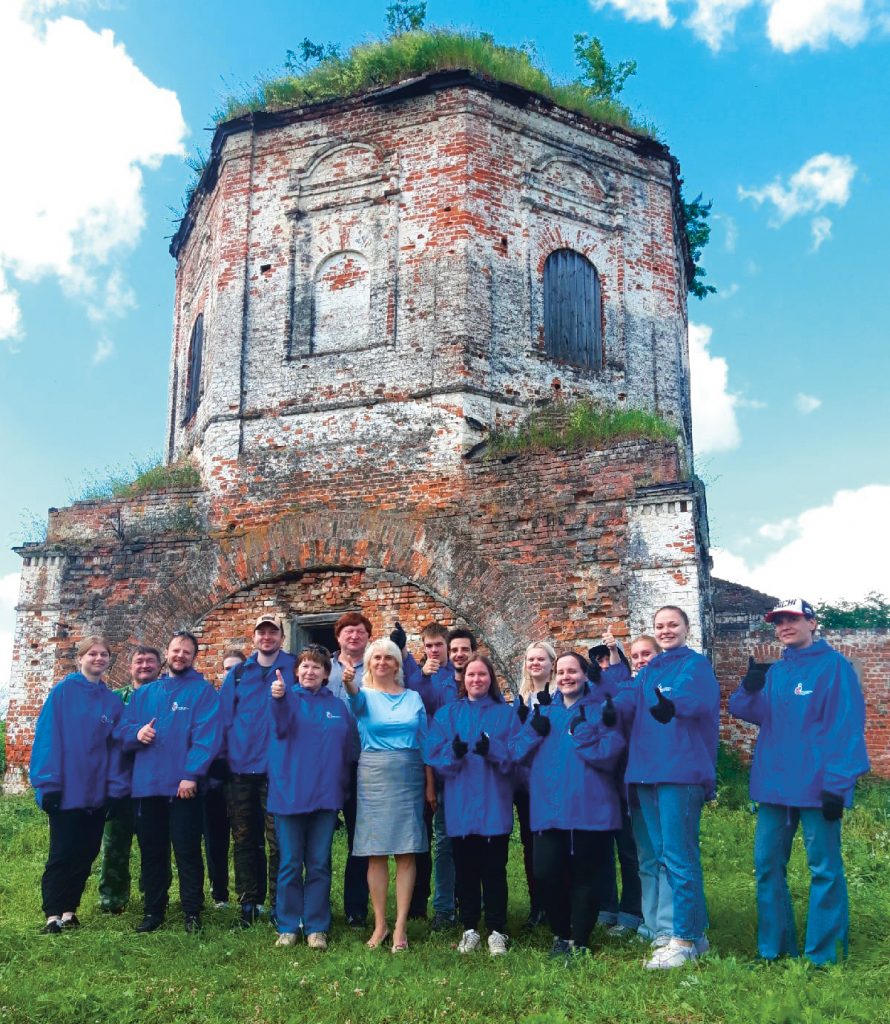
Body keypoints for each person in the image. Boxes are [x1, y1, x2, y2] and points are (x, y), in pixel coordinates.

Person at [728, 598, 870, 965]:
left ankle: (824, 956)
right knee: (767, 867)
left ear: (812, 622)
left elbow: (846, 728)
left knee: (823, 869)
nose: (784, 626)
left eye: (792, 618)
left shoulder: (835, 668)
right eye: (778, 622)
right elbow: (746, 710)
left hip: (817, 787)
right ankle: (774, 949)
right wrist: (749, 686)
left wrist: (838, 785)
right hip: (773, 786)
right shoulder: (777, 671)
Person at [615, 606, 719, 969]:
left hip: (680, 772)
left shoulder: (695, 665)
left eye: (673, 624)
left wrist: (673, 705)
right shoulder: (650, 670)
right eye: (660, 625)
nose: (666, 630)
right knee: (662, 854)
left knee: (679, 855)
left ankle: (683, 939)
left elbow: (697, 699)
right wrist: (606, 707)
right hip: (646, 772)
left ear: (686, 628)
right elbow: (628, 696)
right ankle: (696, 936)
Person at [511, 651, 626, 960]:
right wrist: (532, 733)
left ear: (585, 675)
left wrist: (584, 733)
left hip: (590, 808)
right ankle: (561, 933)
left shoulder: (600, 710)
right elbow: (516, 752)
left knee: (585, 877)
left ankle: (580, 939)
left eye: (572, 671)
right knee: (546, 872)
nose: (566, 677)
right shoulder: (544, 713)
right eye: (561, 672)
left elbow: (610, 755)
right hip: (550, 808)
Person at [117, 631, 221, 933]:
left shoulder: (203, 692)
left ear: (194, 657)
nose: (180, 656)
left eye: (187, 652)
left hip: (183, 787)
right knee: (152, 851)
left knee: (187, 850)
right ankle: (153, 911)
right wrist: (136, 734)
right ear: (167, 653)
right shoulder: (146, 693)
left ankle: (192, 911)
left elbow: (207, 737)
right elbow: (122, 729)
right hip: (147, 785)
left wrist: (191, 774)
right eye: (176, 650)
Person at [30, 636, 127, 934]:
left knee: (86, 854)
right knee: (62, 853)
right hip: (66, 789)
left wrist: (114, 791)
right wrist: (48, 784)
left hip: (95, 793)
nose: (98, 658)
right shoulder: (63, 692)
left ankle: (69, 911)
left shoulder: (112, 702)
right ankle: (52, 915)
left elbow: (115, 749)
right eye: (92, 654)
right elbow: (47, 736)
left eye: (103, 654)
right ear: (80, 658)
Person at [342, 638, 434, 952]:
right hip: (374, 775)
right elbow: (354, 699)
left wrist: (430, 784)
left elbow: (425, 742)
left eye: (388, 657)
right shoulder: (363, 695)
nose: (382, 662)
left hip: (409, 774)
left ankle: (400, 927)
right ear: (368, 664)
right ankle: (380, 924)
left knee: (407, 851)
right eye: (376, 657)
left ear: (397, 664)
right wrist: (348, 682)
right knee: (376, 852)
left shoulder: (413, 697)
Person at [425, 654, 517, 955]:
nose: (476, 679)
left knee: (494, 869)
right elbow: (434, 755)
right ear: (463, 680)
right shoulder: (448, 714)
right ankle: (469, 927)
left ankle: (497, 929)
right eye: (471, 675)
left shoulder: (505, 714)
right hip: (461, 802)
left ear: (491, 679)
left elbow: (516, 756)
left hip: (493, 802)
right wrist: (453, 752)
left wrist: (493, 750)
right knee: (465, 870)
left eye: (482, 674)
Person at [268, 647, 353, 950]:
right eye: (304, 666)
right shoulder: (286, 699)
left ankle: (317, 926)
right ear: (296, 672)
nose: (310, 671)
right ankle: (289, 925)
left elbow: (346, 751)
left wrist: (342, 788)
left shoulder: (338, 707)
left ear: (326, 674)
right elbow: (279, 726)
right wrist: (278, 699)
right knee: (290, 864)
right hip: (290, 794)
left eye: (317, 667)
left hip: (325, 796)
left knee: (318, 863)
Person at [219, 615, 295, 927]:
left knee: (278, 841)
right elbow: (223, 719)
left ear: (281, 637)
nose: (267, 637)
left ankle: (280, 905)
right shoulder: (239, 674)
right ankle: (248, 904)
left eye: (272, 632)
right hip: (240, 769)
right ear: (254, 638)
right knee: (244, 840)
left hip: (278, 769)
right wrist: (222, 760)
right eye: (261, 632)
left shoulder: (294, 667)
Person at [395, 620, 459, 929]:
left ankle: (452, 901)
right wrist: (422, 675)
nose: (433, 650)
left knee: (448, 840)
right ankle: (418, 902)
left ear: (447, 646)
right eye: (429, 645)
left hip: (449, 764)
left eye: (438, 645)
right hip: (421, 762)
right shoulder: (417, 675)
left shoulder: (455, 676)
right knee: (420, 837)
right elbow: (414, 705)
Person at [97, 645, 163, 914]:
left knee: (155, 845)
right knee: (115, 843)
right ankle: (112, 899)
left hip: (155, 783)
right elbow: (105, 738)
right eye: (139, 661)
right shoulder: (115, 700)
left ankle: (153, 896)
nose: (144, 665)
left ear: (160, 666)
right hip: (120, 783)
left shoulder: (166, 696)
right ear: (130, 666)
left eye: (150, 661)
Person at [588, 630, 643, 938]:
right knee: (601, 849)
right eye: (598, 661)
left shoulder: (630, 686)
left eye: (608, 658)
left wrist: (613, 668)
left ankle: (632, 912)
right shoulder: (590, 691)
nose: (603, 665)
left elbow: (621, 693)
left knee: (629, 848)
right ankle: (605, 908)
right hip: (601, 779)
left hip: (626, 776)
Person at [327, 611, 373, 927]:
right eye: (348, 631)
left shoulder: (374, 667)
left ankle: (356, 909)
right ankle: (317, 907)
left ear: (368, 637)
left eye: (360, 631)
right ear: (338, 636)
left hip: (363, 763)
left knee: (360, 839)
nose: (354, 636)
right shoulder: (323, 667)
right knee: (318, 840)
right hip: (327, 766)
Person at [512, 639, 557, 929]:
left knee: (555, 843)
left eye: (541, 659)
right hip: (526, 783)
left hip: (554, 782)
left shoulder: (560, 695)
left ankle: (557, 903)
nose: (535, 663)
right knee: (531, 845)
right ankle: (537, 905)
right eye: (531, 659)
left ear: (552, 664)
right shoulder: (521, 699)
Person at [202, 648, 244, 909]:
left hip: (244, 778)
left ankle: (247, 894)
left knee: (245, 838)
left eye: (237, 669)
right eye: (228, 669)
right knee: (215, 837)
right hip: (216, 779)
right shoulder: (213, 702)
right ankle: (219, 894)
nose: (232, 674)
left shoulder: (253, 702)